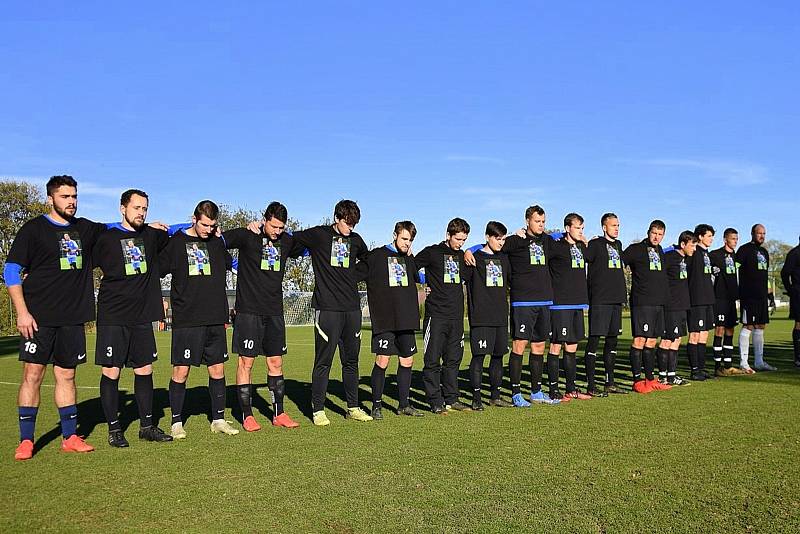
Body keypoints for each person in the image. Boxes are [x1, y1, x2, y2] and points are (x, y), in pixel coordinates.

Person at [5, 175, 106, 460]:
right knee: (32, 375)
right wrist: (23, 312)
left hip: (72, 319)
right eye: (65, 197)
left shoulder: (85, 229)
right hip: (38, 319)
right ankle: (26, 440)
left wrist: (178, 227)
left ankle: (69, 436)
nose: (71, 202)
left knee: (67, 375)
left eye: (74, 196)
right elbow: (11, 270)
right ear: (50, 198)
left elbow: (119, 228)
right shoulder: (33, 230)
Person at [93, 189, 173, 447]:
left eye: (144, 209)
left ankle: (147, 426)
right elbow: (80, 261)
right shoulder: (106, 237)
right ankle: (114, 430)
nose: (141, 212)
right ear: (122, 208)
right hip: (113, 315)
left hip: (141, 317)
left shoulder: (151, 235)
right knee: (112, 371)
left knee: (145, 369)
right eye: (136, 207)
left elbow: (181, 230)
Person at [160, 200, 239, 438]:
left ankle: (218, 419)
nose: (208, 229)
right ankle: (176, 422)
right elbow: (156, 269)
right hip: (187, 319)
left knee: (217, 369)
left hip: (215, 318)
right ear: (193, 219)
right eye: (204, 224)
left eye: (213, 225)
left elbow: (233, 264)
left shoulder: (216, 242)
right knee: (181, 371)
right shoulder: (176, 243)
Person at [290, 200, 372, 425]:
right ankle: (317, 410)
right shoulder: (318, 235)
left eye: (354, 224)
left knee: (351, 362)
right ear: (337, 218)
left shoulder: (356, 240)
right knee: (323, 361)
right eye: (348, 223)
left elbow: (368, 261)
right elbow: (291, 240)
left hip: (352, 310)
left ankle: (353, 407)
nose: (351, 228)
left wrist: (353, 276)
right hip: (327, 310)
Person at [222, 201, 303, 431]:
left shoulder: (287, 241)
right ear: (264, 220)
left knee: (276, 362)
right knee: (246, 362)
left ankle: (279, 413)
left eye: (281, 227)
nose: (278, 232)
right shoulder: (248, 236)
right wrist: (232, 265)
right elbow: (217, 240)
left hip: (274, 312)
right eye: (274, 226)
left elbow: (312, 245)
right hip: (248, 312)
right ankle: (246, 415)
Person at [466, 205, 557, 407]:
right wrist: (468, 250)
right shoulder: (515, 241)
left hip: (544, 302)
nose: (541, 225)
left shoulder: (547, 241)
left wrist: (586, 237)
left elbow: (562, 236)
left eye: (543, 222)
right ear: (527, 221)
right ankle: (516, 393)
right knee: (519, 345)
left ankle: (536, 391)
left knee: (539, 347)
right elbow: (489, 246)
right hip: (523, 302)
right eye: (537, 221)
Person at [356, 221, 425, 419]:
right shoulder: (376, 256)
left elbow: (419, 278)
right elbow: (353, 275)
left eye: (410, 240)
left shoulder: (409, 259)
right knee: (383, 360)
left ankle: (404, 405)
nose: (407, 243)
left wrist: (412, 258)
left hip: (407, 319)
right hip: (385, 319)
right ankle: (376, 405)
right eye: (404, 239)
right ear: (394, 235)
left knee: (407, 360)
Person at [414, 218, 472, 413]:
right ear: (448, 235)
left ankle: (452, 398)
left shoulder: (463, 255)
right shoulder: (432, 252)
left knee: (453, 360)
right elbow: (411, 266)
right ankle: (435, 400)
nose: (460, 243)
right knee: (432, 360)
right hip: (436, 315)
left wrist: (469, 250)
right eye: (458, 239)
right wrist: (424, 282)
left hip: (456, 316)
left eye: (464, 240)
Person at [465, 222, 514, 410]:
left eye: (503, 239)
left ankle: (496, 396)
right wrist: (468, 250)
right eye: (497, 238)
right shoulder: (474, 257)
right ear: (487, 237)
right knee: (479, 357)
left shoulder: (504, 259)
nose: (501, 242)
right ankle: (476, 398)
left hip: (501, 316)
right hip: (481, 317)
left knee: (498, 356)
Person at [622, 220, 672, 393]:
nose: (656, 237)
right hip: (642, 302)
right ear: (648, 232)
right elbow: (620, 261)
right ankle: (637, 380)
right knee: (640, 340)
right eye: (654, 233)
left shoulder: (660, 252)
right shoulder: (636, 249)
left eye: (660, 234)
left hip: (659, 303)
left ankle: (650, 379)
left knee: (651, 341)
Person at [584, 213, 627, 395]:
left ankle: (610, 382)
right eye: (613, 225)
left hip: (616, 300)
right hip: (600, 300)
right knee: (594, 341)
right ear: (604, 227)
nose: (616, 228)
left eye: (618, 225)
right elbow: (582, 258)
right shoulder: (595, 244)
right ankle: (591, 385)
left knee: (612, 342)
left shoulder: (618, 245)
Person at [736, 224, 776, 372]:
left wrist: (770, 295)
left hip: (761, 297)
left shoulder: (764, 252)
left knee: (760, 326)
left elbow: (765, 276)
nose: (762, 236)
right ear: (752, 233)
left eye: (764, 233)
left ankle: (759, 362)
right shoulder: (744, 250)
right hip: (749, 295)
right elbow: (735, 269)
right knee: (749, 326)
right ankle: (744, 362)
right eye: (759, 233)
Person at [659, 231, 696, 385]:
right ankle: (662, 376)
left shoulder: (685, 259)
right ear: (683, 244)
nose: (694, 248)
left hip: (682, 306)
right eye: (692, 245)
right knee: (667, 340)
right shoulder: (669, 257)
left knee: (677, 340)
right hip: (671, 306)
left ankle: (671, 376)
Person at [709, 228, 745, 375]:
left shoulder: (738, 257)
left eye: (736, 239)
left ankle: (728, 365)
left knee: (730, 330)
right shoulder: (715, 255)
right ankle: (718, 367)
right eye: (732, 239)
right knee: (720, 330)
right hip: (719, 298)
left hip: (732, 299)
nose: (735, 241)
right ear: (725, 239)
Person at [686, 224, 717, 379]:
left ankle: (702, 368)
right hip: (696, 299)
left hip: (708, 299)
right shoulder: (693, 252)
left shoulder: (706, 254)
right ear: (700, 236)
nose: (711, 239)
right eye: (709, 236)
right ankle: (694, 370)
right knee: (695, 335)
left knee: (704, 334)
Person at [780, 236, 800, 367]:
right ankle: (798, 357)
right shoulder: (795, 253)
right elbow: (784, 273)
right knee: (799, 323)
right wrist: (791, 289)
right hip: (799, 294)